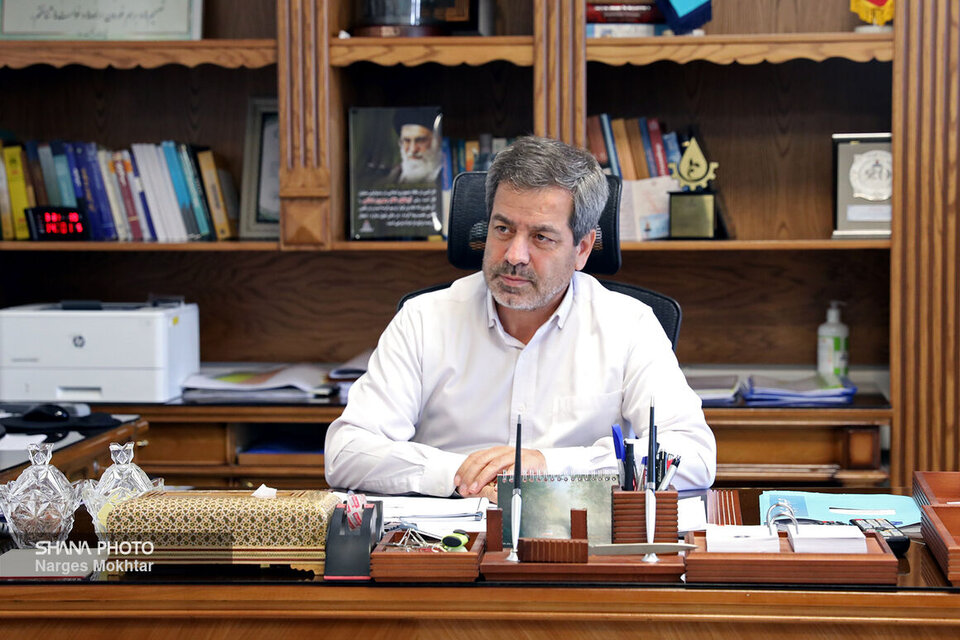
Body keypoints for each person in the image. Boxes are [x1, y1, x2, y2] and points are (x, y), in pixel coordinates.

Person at [325, 136, 716, 501]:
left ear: (582, 249)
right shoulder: (424, 319)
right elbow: (346, 451)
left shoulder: (629, 325)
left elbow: (694, 455)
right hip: (448, 535)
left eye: (541, 237)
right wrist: (460, 473)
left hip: (578, 535)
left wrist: (547, 467)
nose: (514, 255)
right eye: (502, 229)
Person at [385, 108, 442, 184]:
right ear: (400, 143)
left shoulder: (447, 176)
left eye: (420, 140)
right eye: (407, 140)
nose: (413, 150)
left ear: (437, 142)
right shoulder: (389, 179)